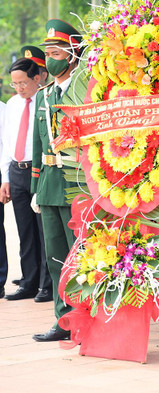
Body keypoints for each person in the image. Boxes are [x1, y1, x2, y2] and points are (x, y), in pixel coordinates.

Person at [30, 19, 82, 342]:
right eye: (48, 53)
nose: (50, 59)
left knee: (81, 257)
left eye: (56, 53)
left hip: (76, 183)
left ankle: (84, 318)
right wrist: (35, 187)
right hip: (49, 184)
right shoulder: (44, 95)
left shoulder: (86, 90)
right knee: (56, 259)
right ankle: (63, 320)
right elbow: (38, 144)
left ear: (72, 55)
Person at [1, 55, 51, 303]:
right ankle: (28, 283)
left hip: (39, 169)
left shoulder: (46, 100)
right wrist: (6, 177)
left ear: (37, 78)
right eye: (15, 84)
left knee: (43, 230)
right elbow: (7, 142)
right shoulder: (12, 104)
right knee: (25, 231)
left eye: (23, 83)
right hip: (17, 170)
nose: (19, 88)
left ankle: (47, 285)